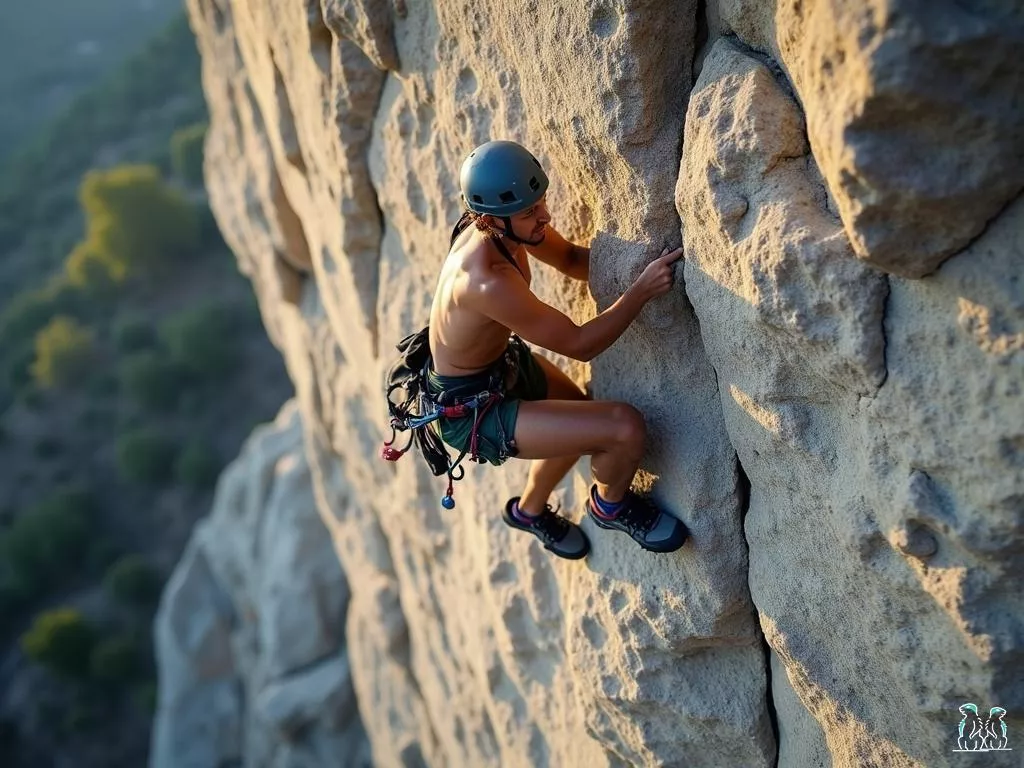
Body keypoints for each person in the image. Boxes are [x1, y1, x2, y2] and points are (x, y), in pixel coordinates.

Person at [425, 140, 688, 559]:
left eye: (541, 201)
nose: (544, 216)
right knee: (623, 428)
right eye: (530, 211)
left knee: (576, 416)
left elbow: (567, 257)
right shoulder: (486, 282)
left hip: (498, 367)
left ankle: (528, 512)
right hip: (474, 410)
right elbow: (580, 345)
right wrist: (641, 292)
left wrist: (635, 265)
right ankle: (610, 506)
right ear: (491, 219)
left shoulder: (500, 228)